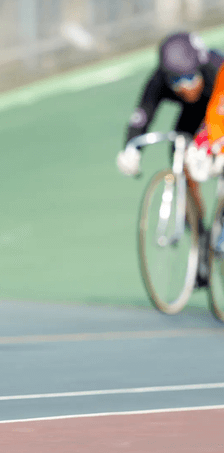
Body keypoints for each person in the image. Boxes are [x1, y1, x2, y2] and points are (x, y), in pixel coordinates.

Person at [116, 31, 224, 287]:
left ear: (200, 68)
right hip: (194, 116)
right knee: (181, 160)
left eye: (190, 78)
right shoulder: (158, 81)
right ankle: (200, 236)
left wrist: (212, 144)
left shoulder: (215, 70)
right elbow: (142, 115)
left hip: (220, 111)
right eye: (176, 80)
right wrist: (131, 149)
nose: (185, 87)